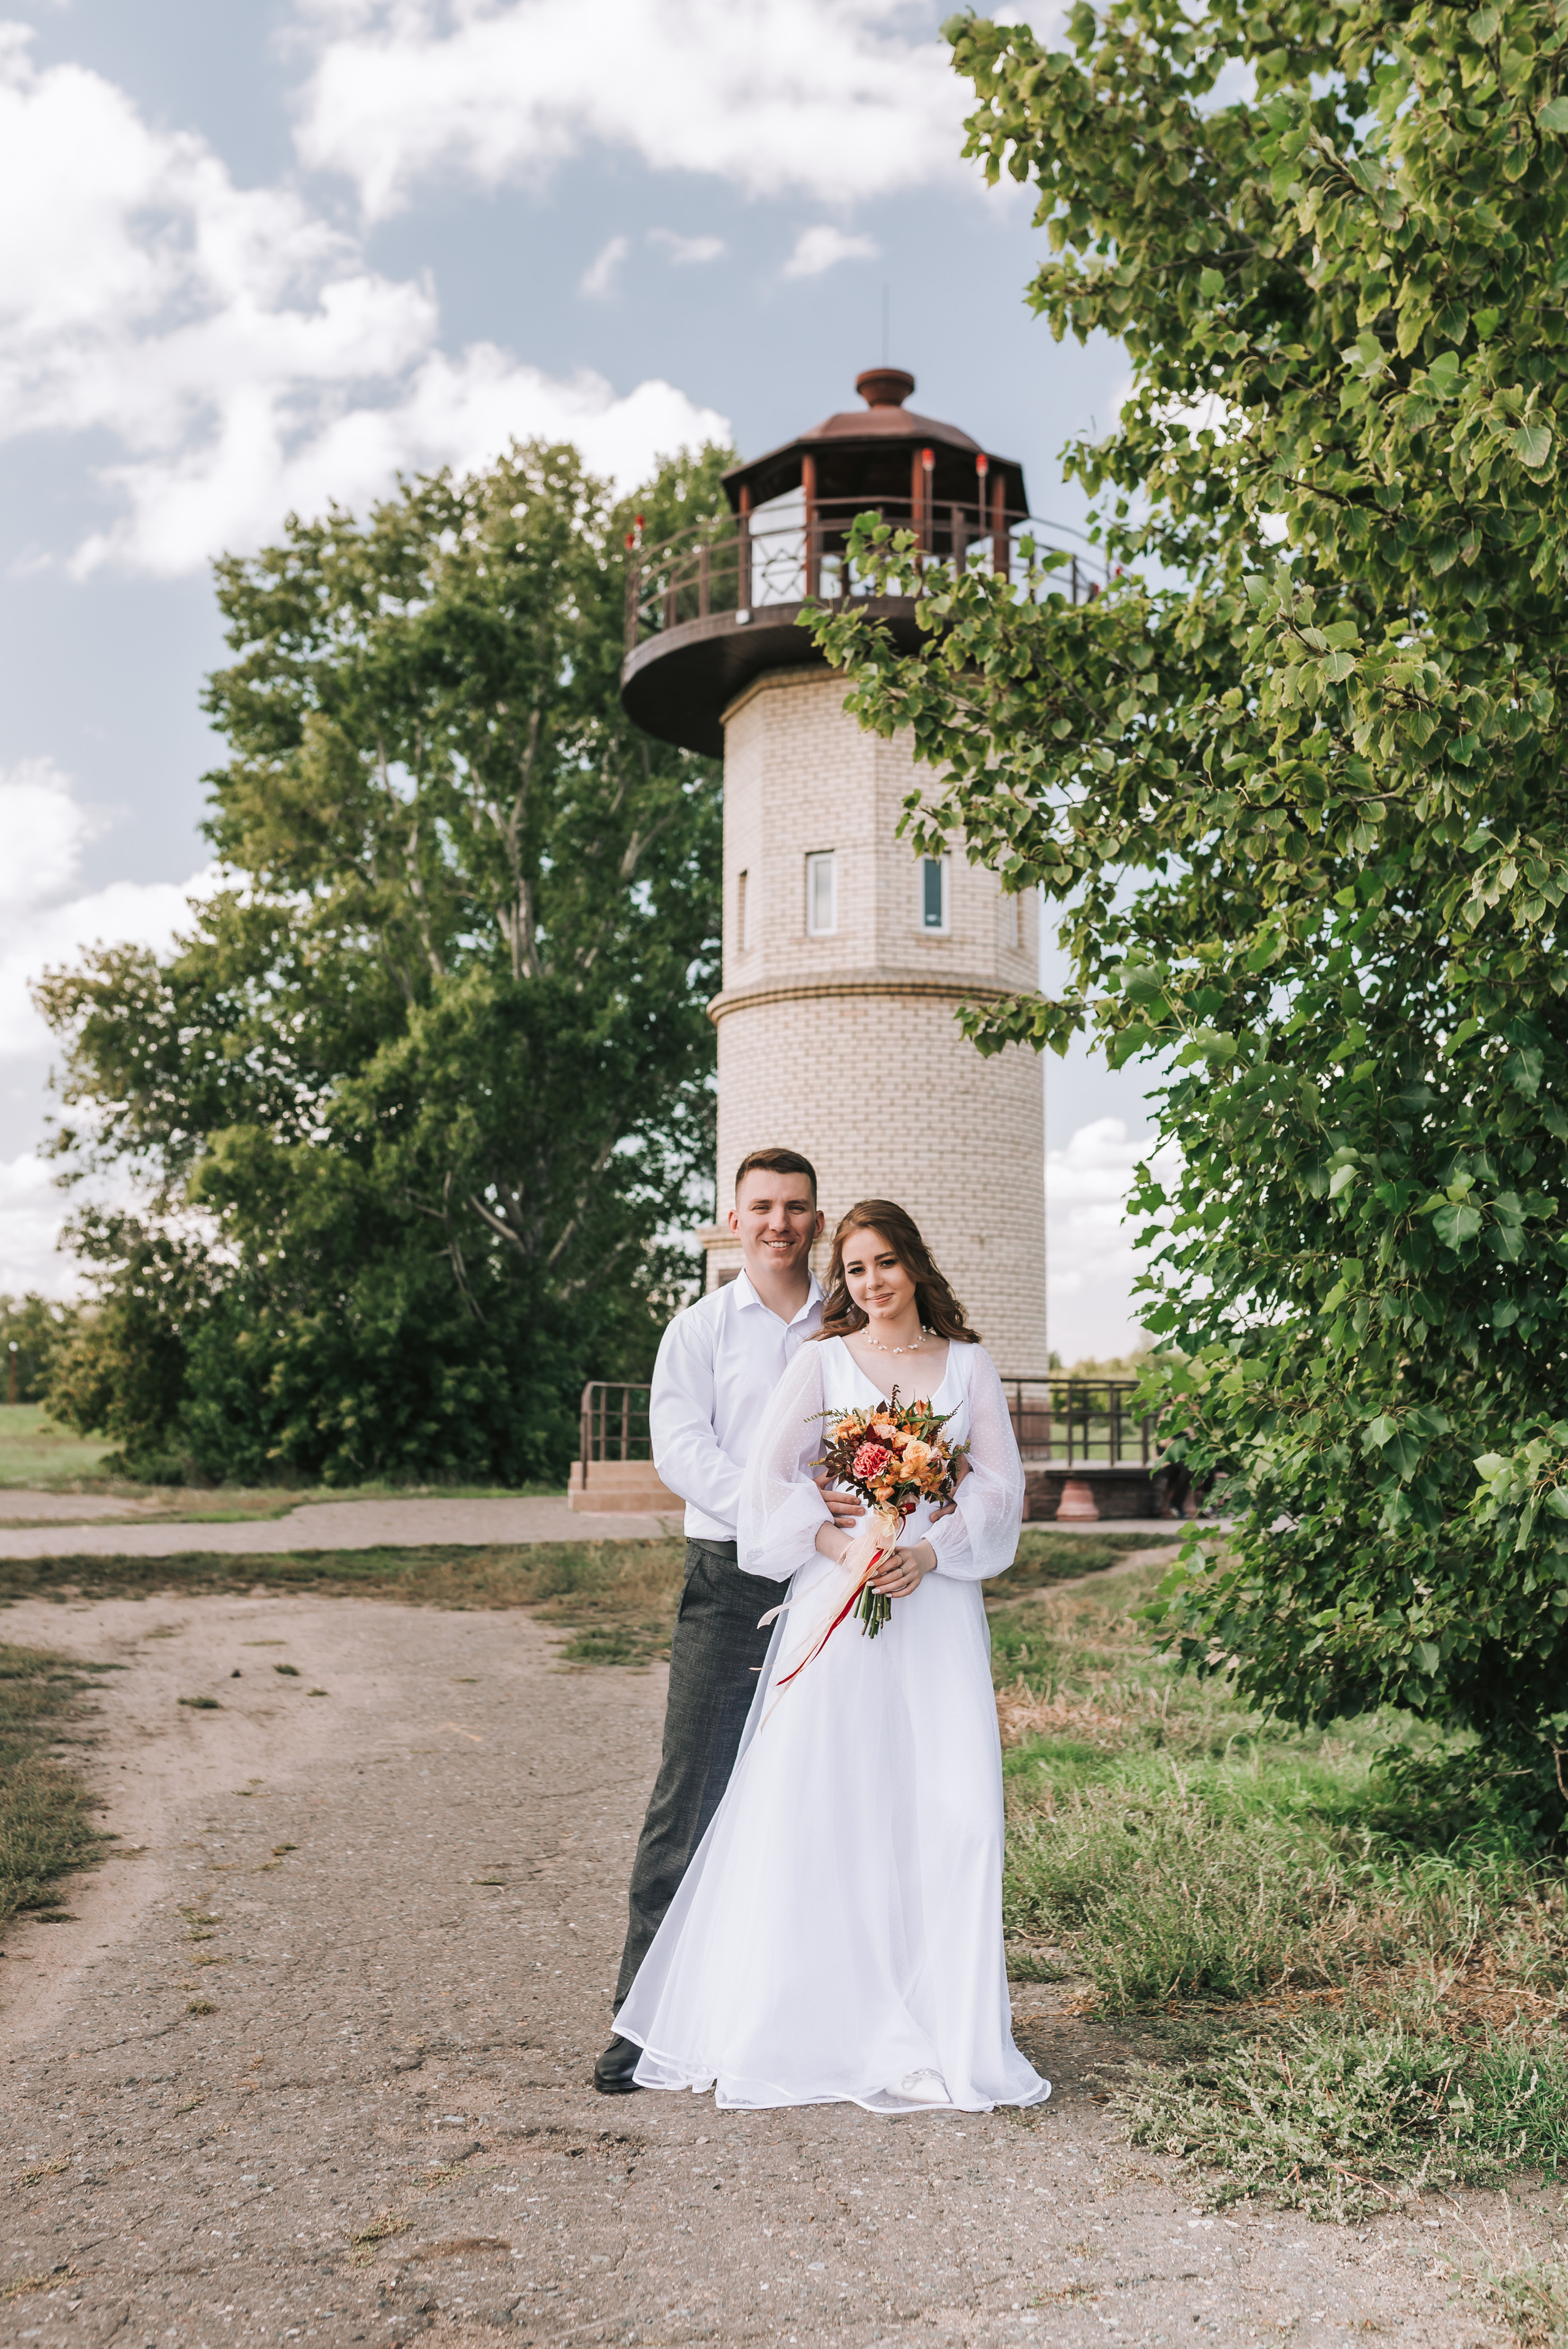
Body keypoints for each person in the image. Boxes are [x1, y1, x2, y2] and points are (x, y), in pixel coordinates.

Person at [612, 1200, 1051, 2115]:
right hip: (840, 1602)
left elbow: (1001, 1487)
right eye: (854, 1269)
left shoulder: (968, 1366)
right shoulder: (820, 1362)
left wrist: (929, 1552)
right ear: (841, 1279)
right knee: (829, 1800)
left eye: (887, 1262)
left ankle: (947, 2027)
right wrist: (837, 1544)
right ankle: (817, 2016)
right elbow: (769, 1484)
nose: (873, 1282)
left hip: (933, 1609)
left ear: (915, 1266)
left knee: (951, 1808)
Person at [594, 1146, 859, 2096]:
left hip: (841, 1585)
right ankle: (643, 2022)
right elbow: (684, 1452)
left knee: (822, 1800)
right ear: (734, 1217)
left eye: (796, 1208)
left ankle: (810, 2019)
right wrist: (785, 1516)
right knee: (690, 1793)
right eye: (762, 1207)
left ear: (819, 1221)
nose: (779, 1222)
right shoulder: (700, 1329)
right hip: (733, 1576)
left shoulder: (852, 1321)